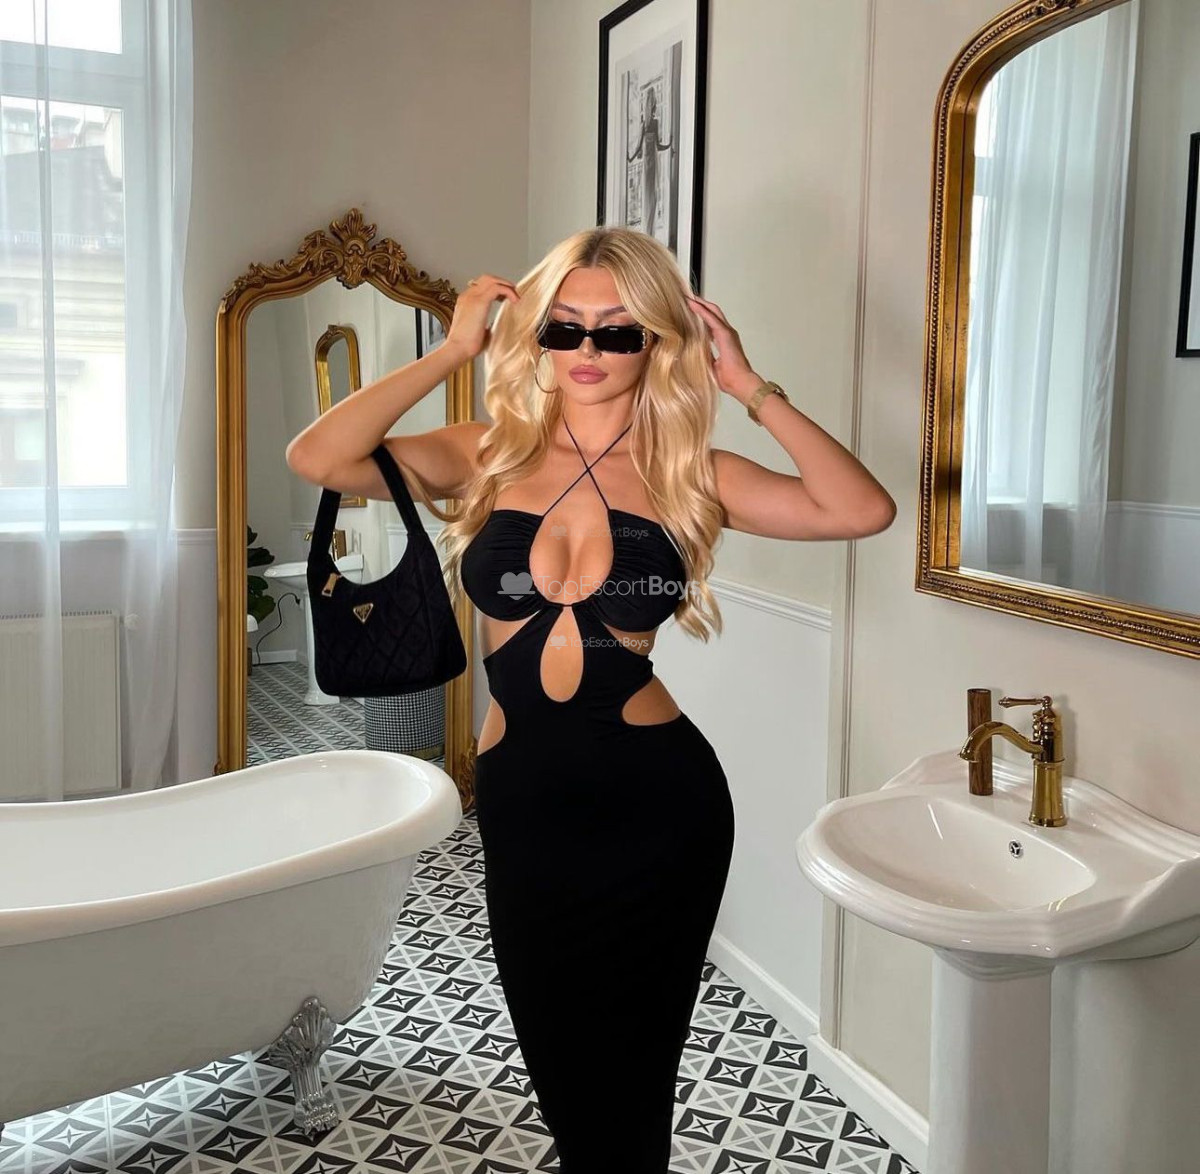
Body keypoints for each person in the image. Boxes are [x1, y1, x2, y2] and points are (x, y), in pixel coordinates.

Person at [286, 225, 895, 1173]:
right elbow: (320, 456)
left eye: (617, 331)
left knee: (639, 1066)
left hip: (661, 804)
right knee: (560, 1056)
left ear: (657, 341)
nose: (587, 350)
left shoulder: (691, 473)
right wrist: (453, 350)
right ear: (534, 333)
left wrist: (750, 387)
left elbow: (860, 509)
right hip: (525, 801)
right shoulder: (486, 454)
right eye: (563, 327)